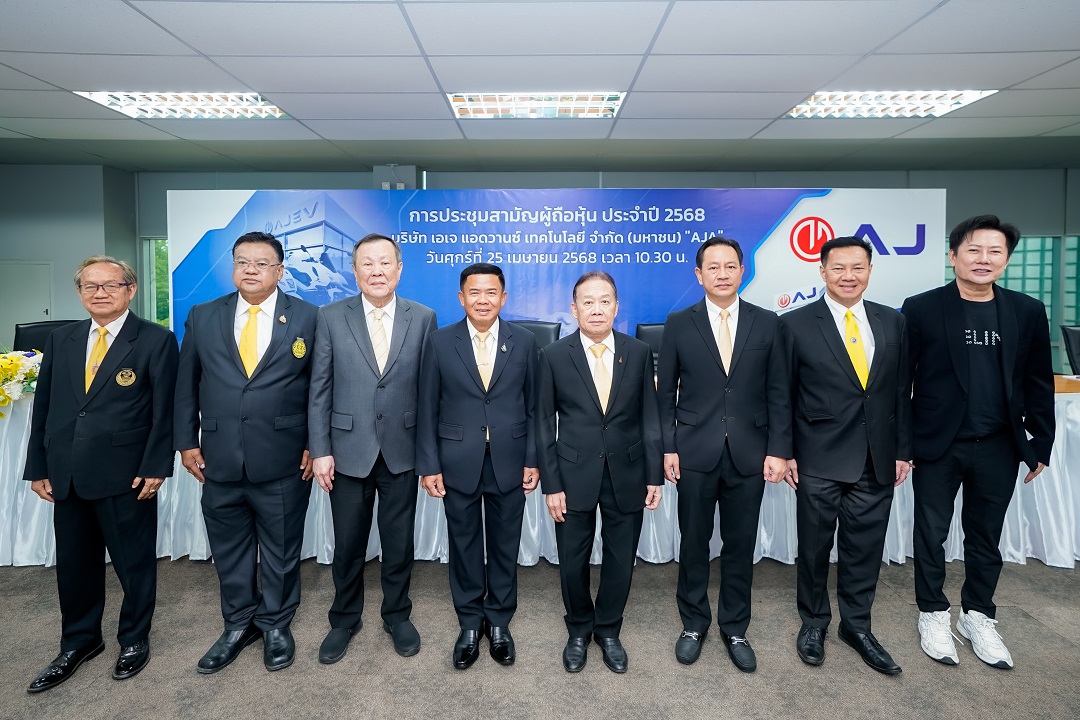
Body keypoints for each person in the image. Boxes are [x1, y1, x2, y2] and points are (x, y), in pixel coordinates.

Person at [903, 215, 1054, 669]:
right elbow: (900, 382)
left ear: (1006, 259)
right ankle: (932, 613)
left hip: (999, 443)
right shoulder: (922, 308)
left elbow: (1038, 380)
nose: (983, 259)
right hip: (937, 444)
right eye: (973, 249)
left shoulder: (1027, 310)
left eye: (994, 251)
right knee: (930, 533)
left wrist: (1040, 443)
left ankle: (978, 615)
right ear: (953, 256)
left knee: (985, 535)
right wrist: (902, 446)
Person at [23, 256, 178, 693]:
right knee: (75, 566)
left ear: (131, 290)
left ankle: (134, 638)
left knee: (134, 564)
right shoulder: (62, 338)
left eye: (111, 285)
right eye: (90, 286)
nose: (100, 293)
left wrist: (156, 466)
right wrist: (37, 466)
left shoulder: (156, 339)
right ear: (80, 293)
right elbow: (44, 407)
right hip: (67, 472)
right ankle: (80, 641)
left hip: (126, 474)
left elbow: (164, 411)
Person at [174, 232, 318, 674]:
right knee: (229, 547)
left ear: (280, 271)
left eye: (261, 263)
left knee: (281, 548)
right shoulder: (203, 315)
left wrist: (315, 443)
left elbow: (320, 387)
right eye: (242, 261)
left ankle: (275, 623)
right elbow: (186, 384)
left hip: (284, 455)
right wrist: (186, 441)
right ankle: (237, 623)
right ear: (233, 267)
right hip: (218, 456)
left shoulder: (309, 316)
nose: (250, 269)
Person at [656, 236, 792, 671]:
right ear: (699, 275)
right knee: (694, 542)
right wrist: (668, 447)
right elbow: (665, 394)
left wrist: (779, 450)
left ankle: (735, 626)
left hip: (750, 452)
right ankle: (693, 623)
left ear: (742, 271)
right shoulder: (679, 322)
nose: (722, 274)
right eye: (712, 267)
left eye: (730, 266)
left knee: (740, 544)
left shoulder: (766, 322)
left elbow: (779, 392)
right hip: (694, 450)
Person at [781, 236, 911, 676]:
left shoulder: (893, 321)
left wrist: (902, 449)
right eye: (838, 268)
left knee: (864, 549)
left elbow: (900, 391)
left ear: (870, 270)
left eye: (858, 267)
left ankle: (857, 627)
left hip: (877, 457)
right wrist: (786, 452)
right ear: (822, 271)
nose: (848, 276)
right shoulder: (795, 324)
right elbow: (782, 394)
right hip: (817, 457)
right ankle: (814, 622)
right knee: (814, 549)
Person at [308, 233, 437, 663]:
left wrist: (428, 456)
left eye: (385, 263)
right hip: (346, 450)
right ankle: (344, 618)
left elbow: (429, 392)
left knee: (399, 542)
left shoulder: (423, 317)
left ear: (399, 269)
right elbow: (319, 388)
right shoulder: (330, 316)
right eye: (367, 263)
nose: (377, 271)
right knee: (348, 543)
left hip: (403, 449)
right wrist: (320, 448)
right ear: (354, 270)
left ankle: (397, 614)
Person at [537, 271, 663, 674]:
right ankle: (578, 629)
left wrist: (654, 475)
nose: (596, 309)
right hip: (572, 475)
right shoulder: (553, 355)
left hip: (628, 472)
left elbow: (650, 418)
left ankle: (608, 629)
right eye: (587, 302)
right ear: (574, 309)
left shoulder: (638, 352)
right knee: (572, 560)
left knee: (621, 558)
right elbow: (543, 424)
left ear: (616, 306)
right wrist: (551, 484)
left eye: (604, 300)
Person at [416, 263, 538, 669]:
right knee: (464, 546)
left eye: (491, 292)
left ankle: (499, 622)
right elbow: (427, 406)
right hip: (457, 461)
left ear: (503, 298)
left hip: (510, 461)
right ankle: (469, 623)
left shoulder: (524, 341)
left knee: (505, 546)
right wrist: (429, 464)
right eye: (474, 292)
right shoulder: (439, 342)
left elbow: (535, 407)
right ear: (461, 297)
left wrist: (533, 458)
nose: (482, 300)